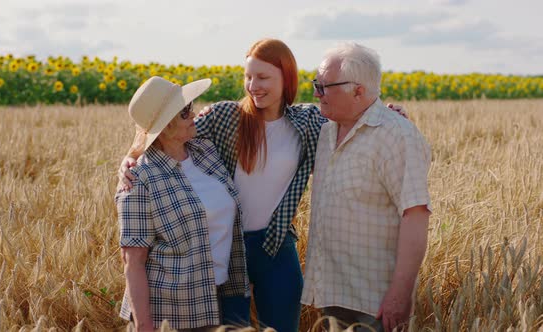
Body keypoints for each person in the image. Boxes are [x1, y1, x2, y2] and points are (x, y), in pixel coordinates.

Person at [119, 39, 405, 332]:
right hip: (226, 249)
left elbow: (352, 114)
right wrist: (129, 160)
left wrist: (386, 113)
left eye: (263, 77)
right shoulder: (224, 117)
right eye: (248, 77)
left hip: (276, 245)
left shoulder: (308, 122)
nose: (253, 85)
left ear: (287, 78)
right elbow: (162, 136)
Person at [300, 42, 432, 332]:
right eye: (315, 84)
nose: (315, 94)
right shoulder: (325, 132)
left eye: (323, 87)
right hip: (331, 293)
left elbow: (416, 215)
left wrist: (400, 294)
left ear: (358, 90)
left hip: (374, 302)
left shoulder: (396, 135)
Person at [116, 76, 249, 332]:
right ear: (165, 127)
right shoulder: (138, 179)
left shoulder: (206, 151)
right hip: (172, 313)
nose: (194, 113)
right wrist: (145, 326)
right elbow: (133, 261)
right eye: (186, 111)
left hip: (219, 298)